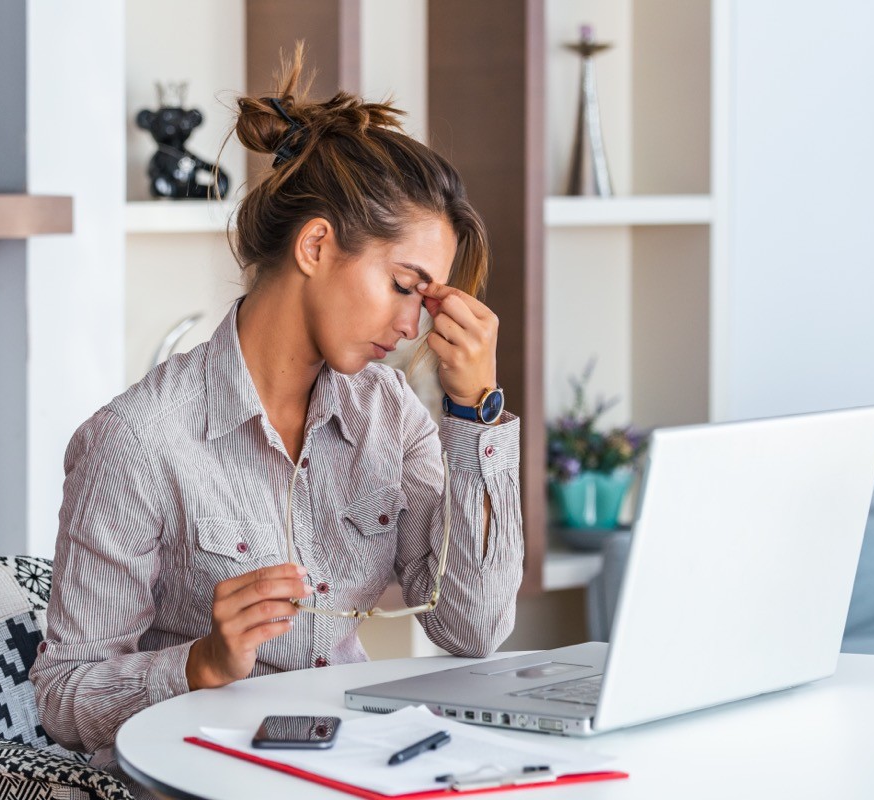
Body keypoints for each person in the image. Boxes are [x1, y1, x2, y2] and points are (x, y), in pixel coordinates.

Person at [29, 46, 524, 777]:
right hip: (200, 783)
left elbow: (474, 630)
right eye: (402, 285)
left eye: (428, 299)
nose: (414, 326)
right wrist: (199, 663)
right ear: (318, 244)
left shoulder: (390, 416)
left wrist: (475, 414)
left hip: (349, 769)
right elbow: (64, 695)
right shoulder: (141, 440)